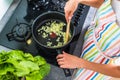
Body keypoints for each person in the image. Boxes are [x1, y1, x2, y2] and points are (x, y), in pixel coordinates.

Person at [56, 0, 120, 79]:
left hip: (103, 65)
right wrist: (77, 1)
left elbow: (118, 71)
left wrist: (80, 63)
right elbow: (105, 4)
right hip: (92, 38)